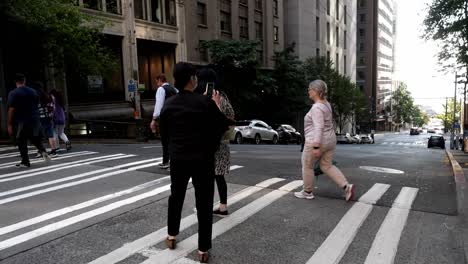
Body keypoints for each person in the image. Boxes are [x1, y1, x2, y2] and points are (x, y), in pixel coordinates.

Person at [160, 62, 233, 263]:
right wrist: (209, 147)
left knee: (176, 196)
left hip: (179, 158)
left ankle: (172, 235)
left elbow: (164, 135)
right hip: (202, 159)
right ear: (192, 79)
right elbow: (222, 126)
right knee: (204, 202)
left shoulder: (169, 104)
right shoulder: (205, 103)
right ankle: (202, 249)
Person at [295, 80, 355, 201]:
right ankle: (346, 187)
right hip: (330, 140)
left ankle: (307, 192)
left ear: (316, 91)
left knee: (307, 166)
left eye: (310, 89)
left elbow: (319, 127)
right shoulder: (326, 104)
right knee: (326, 166)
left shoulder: (316, 108)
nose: (308, 91)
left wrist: (316, 146)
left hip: (317, 140)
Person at [194, 68, 235, 217]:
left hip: (206, 144)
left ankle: (204, 206)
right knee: (219, 176)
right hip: (222, 143)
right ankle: (222, 206)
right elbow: (230, 118)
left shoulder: (202, 98)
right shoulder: (222, 97)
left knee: (205, 177)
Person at [7, 73, 50, 167]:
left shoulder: (13, 93)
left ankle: (25, 161)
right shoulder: (33, 91)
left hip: (22, 121)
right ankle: (42, 150)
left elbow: (11, 109)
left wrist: (9, 124)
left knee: (21, 141)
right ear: (24, 81)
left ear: (15, 82)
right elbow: (37, 104)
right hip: (34, 119)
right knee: (34, 138)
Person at [150, 74, 178, 169]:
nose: (157, 84)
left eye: (157, 81)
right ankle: (174, 161)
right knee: (174, 140)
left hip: (165, 119)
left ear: (160, 80)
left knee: (165, 141)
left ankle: (166, 161)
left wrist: (154, 119)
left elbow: (159, 105)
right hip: (175, 118)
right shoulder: (174, 89)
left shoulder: (161, 89)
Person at [35, 83, 58, 156]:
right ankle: (54, 151)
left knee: (38, 136)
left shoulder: (35, 97)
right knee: (50, 135)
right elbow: (53, 107)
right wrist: (51, 115)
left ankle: (40, 151)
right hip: (48, 117)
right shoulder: (49, 96)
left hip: (39, 118)